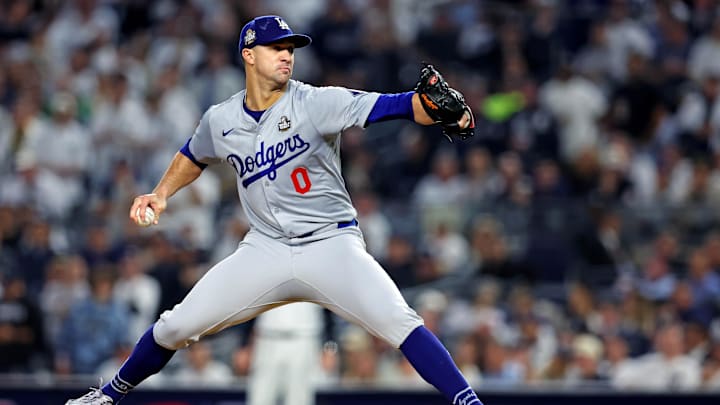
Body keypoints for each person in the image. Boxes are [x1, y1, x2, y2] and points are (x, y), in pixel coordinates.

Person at [66, 15, 480, 405]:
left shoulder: (316, 102)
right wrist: (160, 194)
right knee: (175, 325)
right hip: (265, 249)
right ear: (249, 55)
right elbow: (193, 155)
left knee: (400, 321)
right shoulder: (221, 119)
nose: (286, 55)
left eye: (290, 48)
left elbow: (400, 105)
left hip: (330, 244)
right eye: (274, 47)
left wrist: (446, 111)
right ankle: (107, 396)